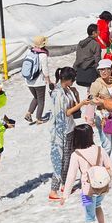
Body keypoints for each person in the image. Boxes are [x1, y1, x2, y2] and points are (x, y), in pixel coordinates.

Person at [62, 121, 112, 223]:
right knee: (98, 206)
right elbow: (111, 166)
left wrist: (65, 195)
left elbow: (71, 176)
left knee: (89, 217)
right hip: (103, 187)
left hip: (87, 191)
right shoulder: (100, 149)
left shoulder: (76, 154)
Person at [48, 67, 82, 202]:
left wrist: (76, 95)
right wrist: (82, 104)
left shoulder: (66, 90)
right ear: (67, 79)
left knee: (68, 158)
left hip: (68, 127)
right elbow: (66, 112)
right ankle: (53, 190)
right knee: (60, 159)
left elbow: (72, 106)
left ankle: (65, 185)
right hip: (61, 131)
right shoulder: (59, 94)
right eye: (73, 79)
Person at [83, 61, 112, 160]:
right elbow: (90, 100)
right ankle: (103, 167)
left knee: (111, 142)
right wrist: (90, 118)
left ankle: (105, 164)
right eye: (101, 69)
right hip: (102, 116)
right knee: (107, 144)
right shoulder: (96, 84)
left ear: (111, 70)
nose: (103, 71)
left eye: (106, 69)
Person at [22, 35, 51, 124]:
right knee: (41, 99)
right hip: (39, 82)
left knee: (36, 97)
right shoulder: (43, 55)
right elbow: (45, 69)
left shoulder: (29, 52)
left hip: (28, 80)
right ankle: (39, 119)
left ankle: (29, 113)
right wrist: (48, 80)